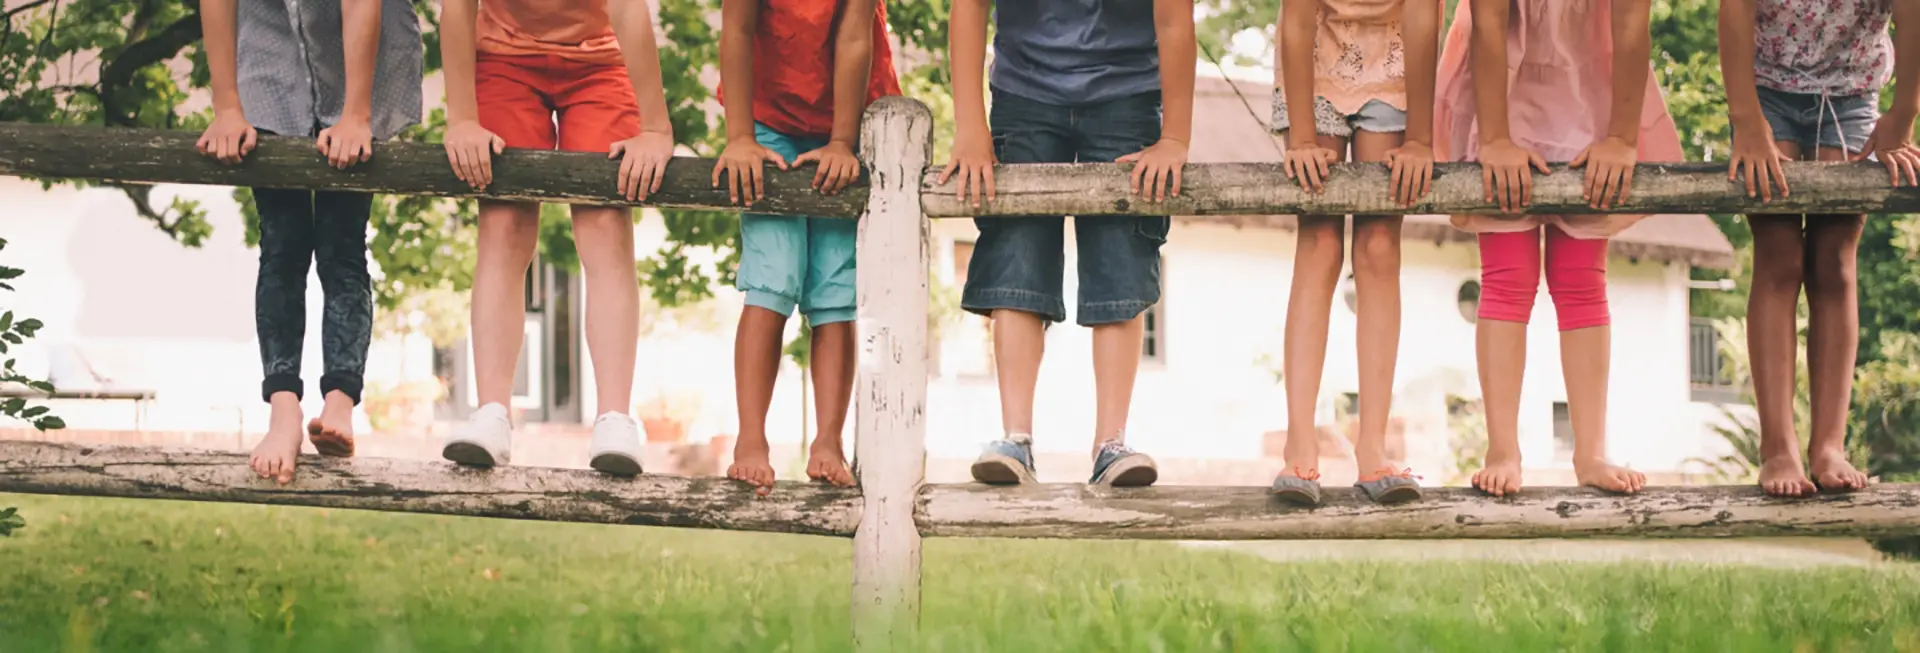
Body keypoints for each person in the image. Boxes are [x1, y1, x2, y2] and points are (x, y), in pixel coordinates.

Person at [1433, 0, 1683, 496]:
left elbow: (1632, 25)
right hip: (1499, 86)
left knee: (1580, 275)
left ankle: (1590, 452)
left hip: (1587, 85)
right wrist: (1497, 140)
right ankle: (1503, 449)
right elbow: (1487, 25)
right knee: (1508, 274)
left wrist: (1620, 139)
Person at [941, 0, 1194, 487]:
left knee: (1121, 250)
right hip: (1024, 90)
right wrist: (971, 127)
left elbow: (1174, 18)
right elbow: (968, 8)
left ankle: (1111, 444)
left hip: (1128, 93)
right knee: (1017, 247)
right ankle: (1015, 437)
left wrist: (1175, 138)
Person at [437, 0, 676, 475]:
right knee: (504, 222)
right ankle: (492, 413)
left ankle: (614, 417)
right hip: (504, 61)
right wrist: (461, 118)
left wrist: (654, 127)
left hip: (601, 64)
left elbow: (629, 10)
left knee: (605, 223)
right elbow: (457, 7)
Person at [196, 0, 422, 484]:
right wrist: (228, 106)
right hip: (268, 57)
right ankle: (283, 411)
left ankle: (340, 402)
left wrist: (356, 115)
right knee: (282, 243)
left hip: (362, 58)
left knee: (343, 245)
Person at [1720, 0, 1920, 496]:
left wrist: (1902, 113)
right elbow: (1735, 8)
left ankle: (1828, 444)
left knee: (1834, 260)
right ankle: (1778, 448)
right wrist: (1746, 118)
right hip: (1765, 89)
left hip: (1851, 94)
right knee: (1779, 256)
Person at [712, 0, 901, 492]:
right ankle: (751, 439)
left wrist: (842, 141)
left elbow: (855, 37)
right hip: (767, 119)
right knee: (772, 276)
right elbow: (736, 31)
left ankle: (829, 441)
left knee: (836, 286)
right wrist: (739, 137)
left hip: (848, 116)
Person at [1271, 0, 1442, 506]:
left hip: (1394, 60)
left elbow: (1423, 17)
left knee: (1379, 246)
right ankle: (1299, 442)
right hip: (1316, 57)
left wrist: (1420, 139)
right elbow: (1298, 18)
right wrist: (1301, 136)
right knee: (1320, 240)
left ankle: (1373, 445)